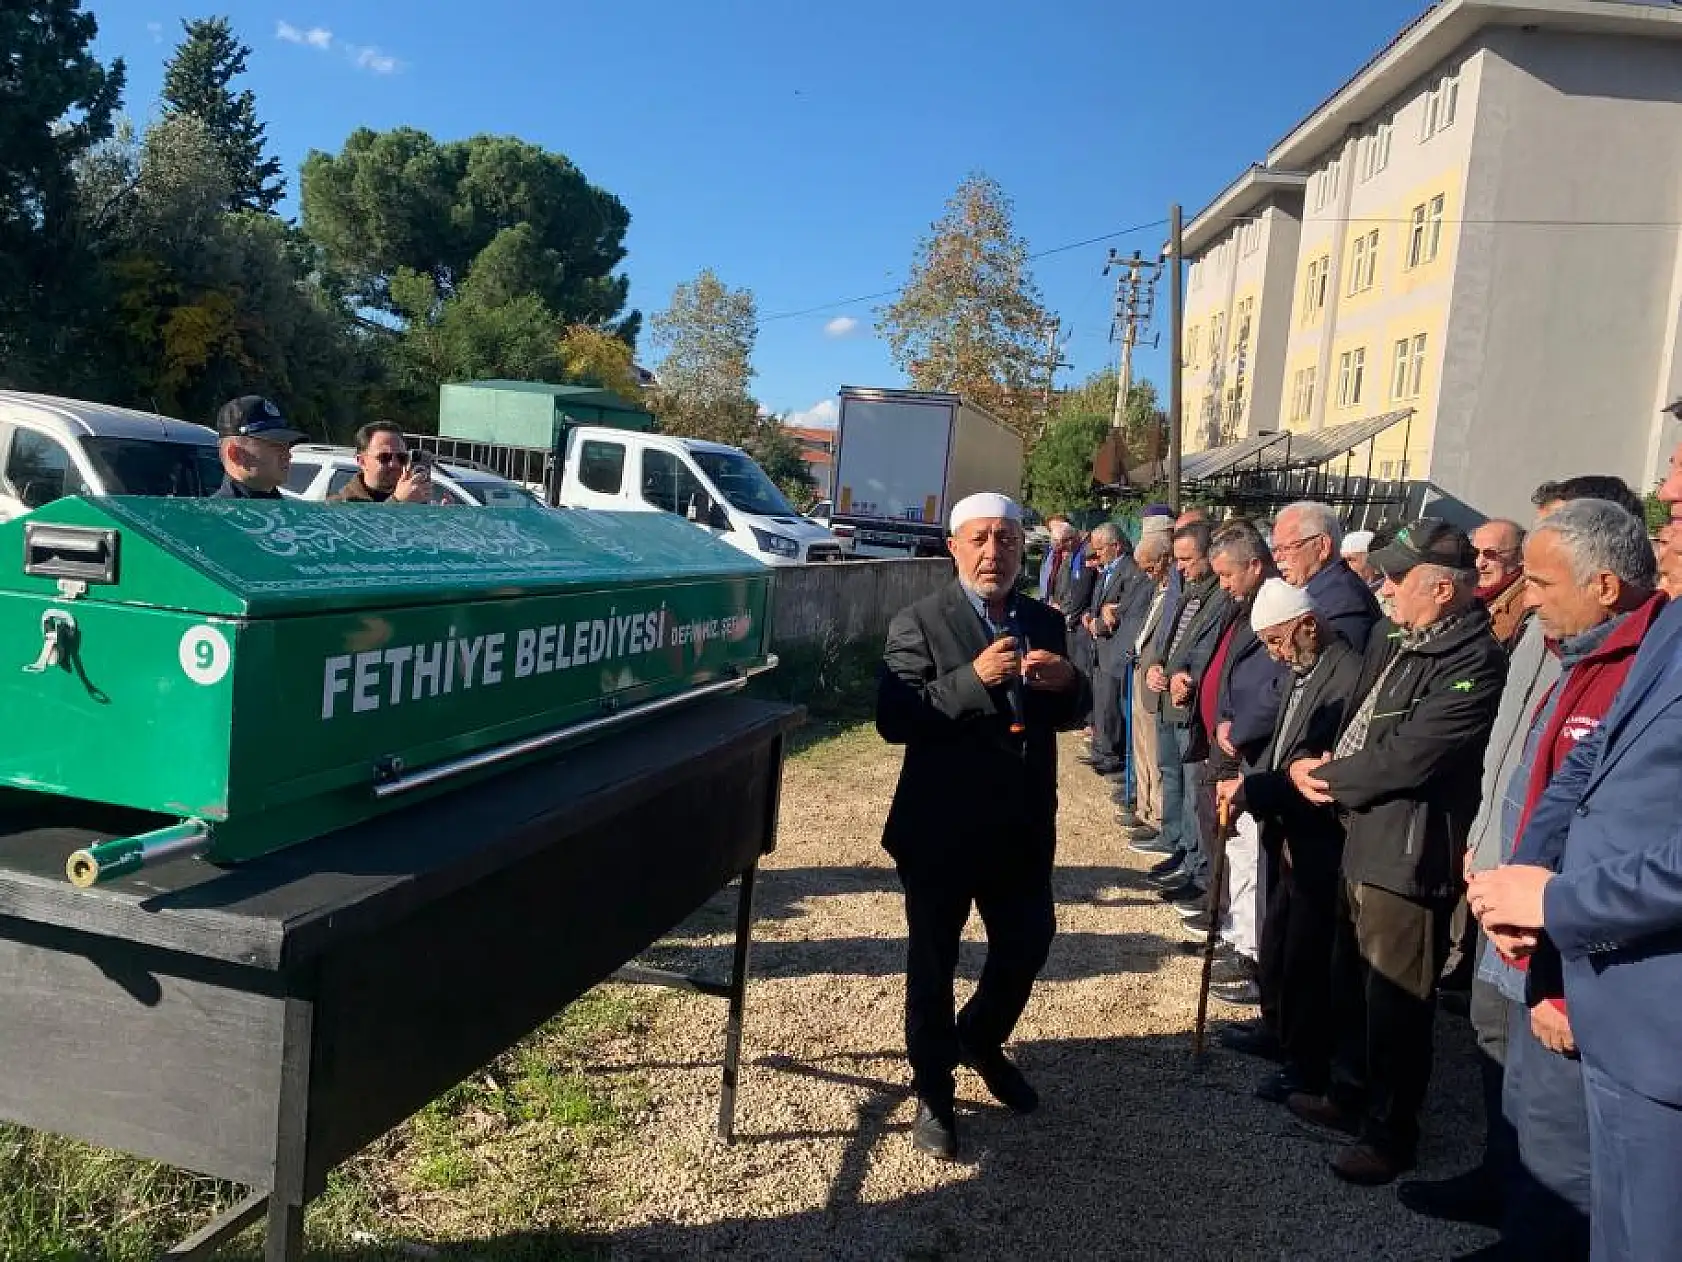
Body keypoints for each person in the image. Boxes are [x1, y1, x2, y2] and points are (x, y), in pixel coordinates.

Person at [1404, 475, 1649, 1232]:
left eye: (1537, 576)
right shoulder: (1559, 647)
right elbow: (1517, 759)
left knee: (1555, 1110)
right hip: (1507, 885)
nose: (1517, 589)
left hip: (1561, 927)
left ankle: (1534, 1218)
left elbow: (1623, 836)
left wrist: (1568, 977)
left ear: (1602, 582)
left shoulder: (1637, 669)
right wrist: (1485, 843)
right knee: (1494, 1044)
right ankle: (1501, 1181)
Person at [1469, 439, 1682, 1261]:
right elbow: (1580, 773)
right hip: (1607, 989)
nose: (1659, 531)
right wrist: (1525, 874)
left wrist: (1555, 908)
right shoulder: (1665, 632)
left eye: (1675, 513)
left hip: (1648, 1003)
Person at [1284, 519, 1507, 1186]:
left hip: (1410, 851)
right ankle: (1348, 1092)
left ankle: (1391, 1131)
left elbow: (1413, 756)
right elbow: (1361, 723)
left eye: (1398, 577)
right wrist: (1317, 763)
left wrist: (1324, 780)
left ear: (1442, 589)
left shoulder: (1472, 661)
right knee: (1351, 978)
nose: (1384, 587)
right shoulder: (1404, 640)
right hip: (1366, 834)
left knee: (1397, 1003)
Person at [876, 492, 1086, 1161]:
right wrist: (973, 678)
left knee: (1027, 945)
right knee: (933, 962)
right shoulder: (920, 621)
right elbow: (896, 718)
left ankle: (980, 1037)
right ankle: (934, 1086)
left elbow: (1075, 712)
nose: (993, 552)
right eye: (980, 539)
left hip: (1021, 826)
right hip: (941, 827)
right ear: (954, 547)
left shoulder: (1044, 620)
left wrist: (1068, 682)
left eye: (1005, 538)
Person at [1216, 580, 1366, 1097]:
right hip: (1286, 825)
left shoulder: (1345, 674)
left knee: (1308, 954)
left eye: (1280, 641)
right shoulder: (1304, 668)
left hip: (1319, 835)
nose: (1277, 655)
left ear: (1308, 624)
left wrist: (1254, 788)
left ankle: (1307, 1064)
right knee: (1279, 938)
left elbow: (1318, 767)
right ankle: (1278, 1030)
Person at [1191, 523, 1288, 1003]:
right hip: (1232, 743)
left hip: (1255, 753)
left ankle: (1253, 959)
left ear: (1253, 564)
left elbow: (1280, 684)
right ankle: (1239, 941)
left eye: (1227, 575)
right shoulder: (1244, 603)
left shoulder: (1277, 605)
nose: (1223, 585)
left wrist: (1240, 725)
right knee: (1235, 852)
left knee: (1250, 858)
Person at [1137, 523, 1232, 903]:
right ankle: (1178, 845)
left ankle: (1196, 864)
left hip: (1188, 705)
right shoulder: (1189, 591)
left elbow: (1205, 650)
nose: (1179, 567)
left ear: (1209, 555)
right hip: (1167, 698)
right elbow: (1170, 638)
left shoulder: (1219, 598)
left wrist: (1183, 675)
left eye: (1187, 559)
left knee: (1196, 791)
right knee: (1171, 774)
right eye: (1176, 559)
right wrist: (1159, 664)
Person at [1271, 500, 1384, 651]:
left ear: (1323, 546)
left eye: (1286, 548)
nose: (1277, 558)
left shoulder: (1343, 603)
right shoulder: (1318, 592)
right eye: (1275, 550)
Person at [1077, 525, 1142, 778]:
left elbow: (1121, 612)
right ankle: (1101, 750)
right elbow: (1102, 603)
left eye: (1101, 548)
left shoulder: (1130, 571)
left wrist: (1100, 624)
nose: (1097, 553)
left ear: (1116, 546)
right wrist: (1090, 617)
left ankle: (1111, 756)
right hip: (1099, 645)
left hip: (1113, 646)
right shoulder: (1108, 570)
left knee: (1111, 705)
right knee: (1101, 702)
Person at [1121, 532, 1174, 839]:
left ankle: (1157, 817)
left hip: (1156, 679)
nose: (1145, 572)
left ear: (1165, 559)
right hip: (1141, 672)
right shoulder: (1157, 590)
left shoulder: (1174, 594)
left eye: (1150, 565)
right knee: (1141, 745)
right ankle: (1143, 808)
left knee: (1155, 752)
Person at [210, 395, 307, 499]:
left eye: (287, 446)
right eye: (276, 445)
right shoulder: (217, 514)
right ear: (235, 454)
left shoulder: (289, 510)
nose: (288, 455)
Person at [328, 422, 436, 504]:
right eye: (384, 457)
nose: (395, 464)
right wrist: (397, 501)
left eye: (401, 457)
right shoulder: (339, 504)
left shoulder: (414, 499)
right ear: (362, 461)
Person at [1474, 519, 1530, 650]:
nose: (1479, 564)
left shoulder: (1526, 605)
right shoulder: (1462, 594)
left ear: (1520, 556)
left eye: (1491, 554)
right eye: (1475, 553)